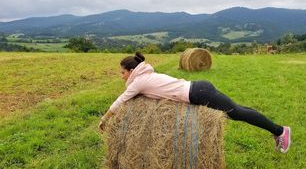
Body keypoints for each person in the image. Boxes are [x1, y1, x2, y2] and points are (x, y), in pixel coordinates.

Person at [99, 52, 291, 153]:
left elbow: (121, 100)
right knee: (237, 110)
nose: (121, 76)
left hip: (198, 93)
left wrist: (105, 119)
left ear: (131, 71)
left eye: (122, 72)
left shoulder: (139, 81)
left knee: (237, 113)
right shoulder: (146, 75)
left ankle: (280, 131)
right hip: (198, 88)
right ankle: (277, 130)